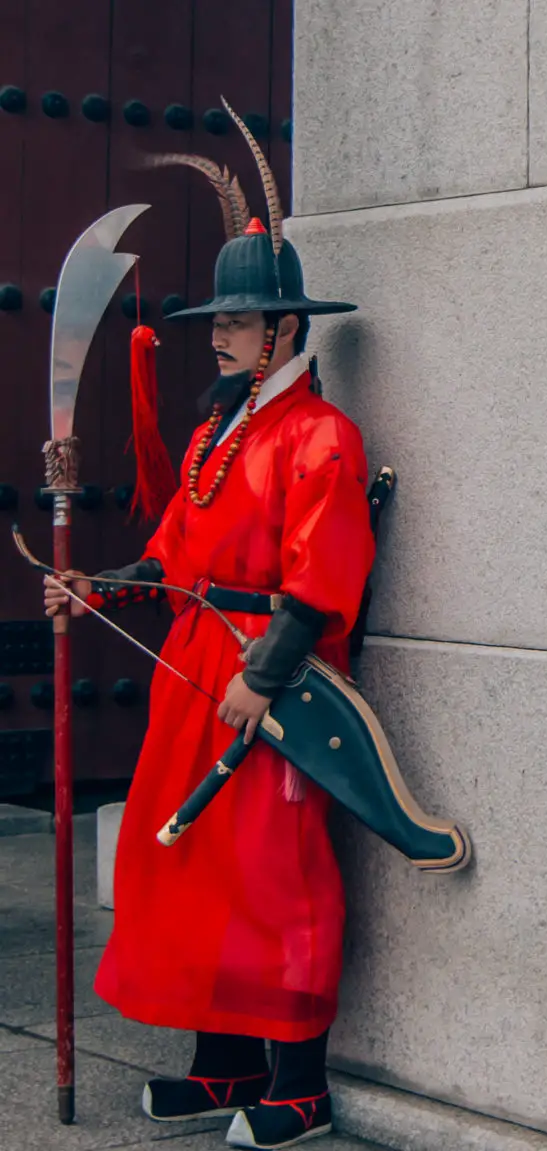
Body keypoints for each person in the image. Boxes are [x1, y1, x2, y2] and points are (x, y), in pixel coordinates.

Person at [43, 102, 375, 1150]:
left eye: (234, 321)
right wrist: (97, 584)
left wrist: (266, 677)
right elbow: (176, 558)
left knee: (273, 870)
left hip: (263, 677)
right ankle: (222, 1064)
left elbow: (322, 578)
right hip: (190, 667)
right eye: (220, 323)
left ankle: (298, 1084)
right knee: (183, 863)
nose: (218, 332)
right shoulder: (216, 431)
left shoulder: (321, 433)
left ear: (283, 328)